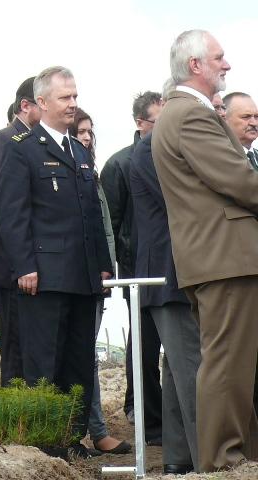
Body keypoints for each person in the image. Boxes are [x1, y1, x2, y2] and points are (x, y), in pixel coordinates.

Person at [152, 29, 258, 472]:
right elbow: (237, 179)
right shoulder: (190, 115)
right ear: (195, 64)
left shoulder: (182, 113)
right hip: (224, 258)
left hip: (219, 258)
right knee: (228, 363)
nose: (226, 64)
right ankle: (223, 461)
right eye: (219, 57)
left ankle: (240, 459)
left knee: (235, 363)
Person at [0, 66, 112, 458]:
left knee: (78, 362)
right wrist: (25, 266)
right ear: (42, 102)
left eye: (75, 96)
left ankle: (71, 438)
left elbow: (92, 215)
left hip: (82, 276)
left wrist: (103, 265)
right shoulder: (22, 149)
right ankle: (45, 445)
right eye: (65, 97)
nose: (72, 103)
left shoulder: (79, 151)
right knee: (44, 364)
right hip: (44, 277)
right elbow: (13, 215)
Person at [130, 79, 200, 475]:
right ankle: (206, 456)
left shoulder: (158, 145)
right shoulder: (151, 149)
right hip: (168, 273)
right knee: (189, 368)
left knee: (177, 368)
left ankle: (179, 457)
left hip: (174, 271)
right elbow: (185, 199)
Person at [100, 91, 163, 443]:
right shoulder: (119, 164)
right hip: (136, 270)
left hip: (168, 267)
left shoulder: (170, 158)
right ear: (141, 123)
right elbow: (111, 224)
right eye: (158, 121)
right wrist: (120, 270)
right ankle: (140, 410)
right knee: (143, 344)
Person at [69, 108, 131, 455]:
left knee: (87, 355)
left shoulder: (90, 174)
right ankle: (91, 431)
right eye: (80, 131)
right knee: (83, 356)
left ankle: (95, 430)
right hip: (77, 275)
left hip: (96, 276)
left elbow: (105, 226)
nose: (87, 137)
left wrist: (106, 267)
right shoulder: (72, 174)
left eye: (89, 131)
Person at [0, 76, 41, 388]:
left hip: (34, 262)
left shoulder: (40, 143)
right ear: (25, 106)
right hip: (12, 264)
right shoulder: (3, 141)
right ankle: (15, 419)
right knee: (16, 355)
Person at [223, 92, 258, 169]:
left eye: (256, 117)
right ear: (225, 120)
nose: (254, 123)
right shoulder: (220, 157)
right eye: (246, 117)